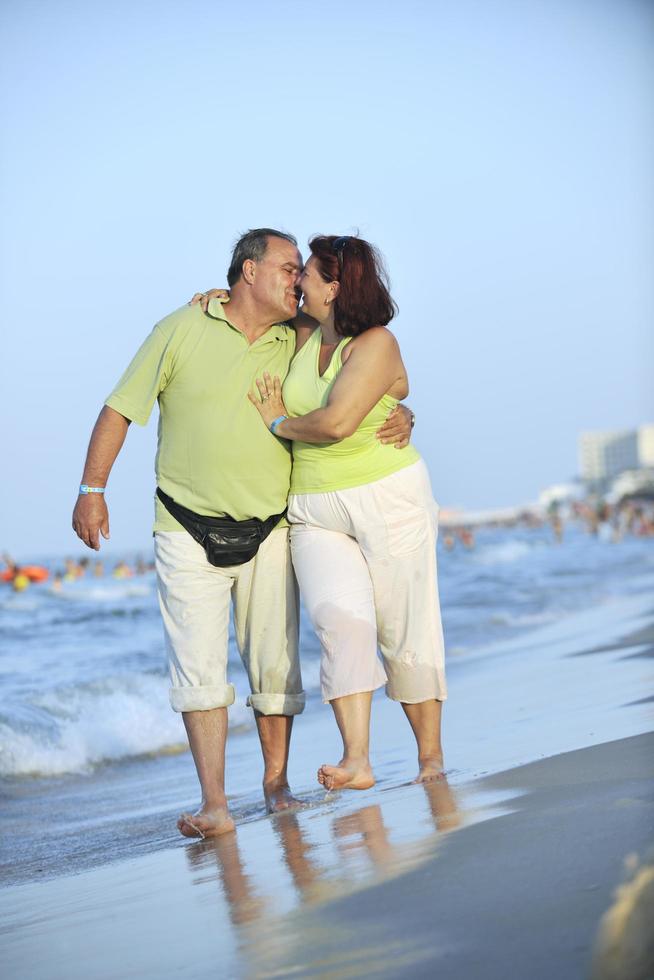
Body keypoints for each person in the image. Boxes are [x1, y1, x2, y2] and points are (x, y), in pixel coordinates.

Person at [72, 228, 411, 838]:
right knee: (198, 671)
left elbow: (376, 372)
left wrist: (400, 410)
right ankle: (215, 804)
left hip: (270, 526)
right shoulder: (180, 327)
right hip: (184, 523)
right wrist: (92, 489)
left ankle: (277, 787)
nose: (296, 279)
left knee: (276, 670)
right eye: (287, 268)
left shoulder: (298, 336)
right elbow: (121, 406)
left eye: (300, 272)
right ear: (248, 272)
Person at [247, 235, 447, 790]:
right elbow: (249, 306)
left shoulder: (377, 342)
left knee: (405, 629)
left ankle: (429, 758)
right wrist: (217, 294)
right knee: (341, 624)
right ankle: (357, 760)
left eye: (306, 274)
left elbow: (336, 423)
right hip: (313, 506)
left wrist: (276, 423)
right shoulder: (303, 333)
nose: (297, 281)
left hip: (388, 495)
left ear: (334, 287)